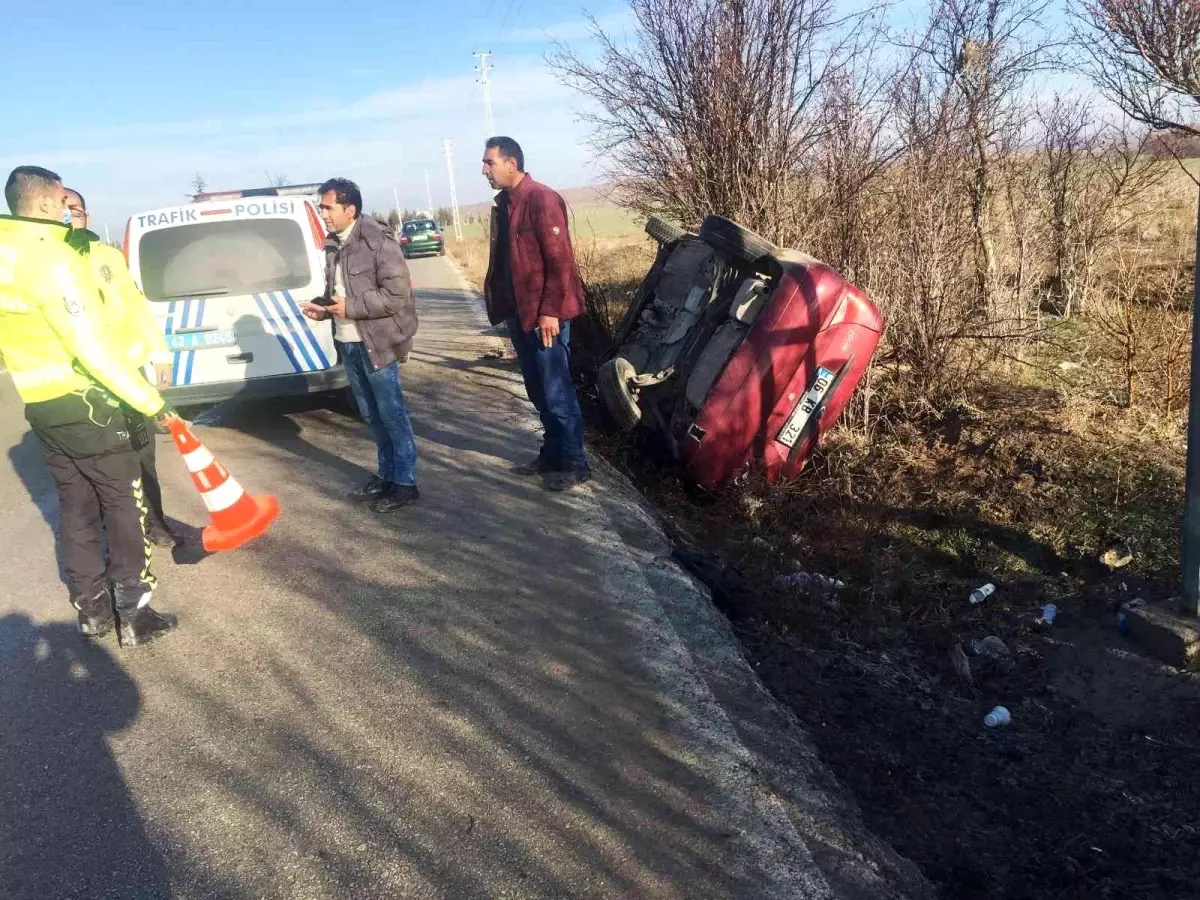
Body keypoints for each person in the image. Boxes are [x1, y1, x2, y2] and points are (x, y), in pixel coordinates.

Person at [0, 166, 179, 647]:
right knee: (124, 504)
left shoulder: (6, 253)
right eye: (61, 200)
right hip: (90, 404)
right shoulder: (52, 260)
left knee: (76, 508)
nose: (65, 209)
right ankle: (136, 615)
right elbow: (91, 348)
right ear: (41, 203)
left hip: (41, 405)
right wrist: (150, 401)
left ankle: (92, 611)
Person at [63, 187, 179, 548]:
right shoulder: (46, 262)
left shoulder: (107, 258)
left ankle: (156, 524)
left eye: (77, 210)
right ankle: (118, 535)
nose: (70, 217)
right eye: (63, 211)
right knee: (103, 468)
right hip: (83, 386)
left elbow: (136, 307)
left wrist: (160, 355)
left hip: (129, 377)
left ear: (88, 216)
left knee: (143, 454)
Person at [301, 178, 420, 513]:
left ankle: (406, 483)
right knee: (370, 414)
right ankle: (386, 476)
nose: (322, 213)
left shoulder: (377, 242)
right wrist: (324, 309)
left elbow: (396, 295)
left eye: (327, 207)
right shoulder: (333, 244)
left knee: (391, 414)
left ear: (349, 209)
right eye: (321, 207)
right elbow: (340, 292)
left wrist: (348, 307)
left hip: (376, 343)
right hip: (348, 344)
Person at [481, 136, 590, 491]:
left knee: (557, 387)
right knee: (536, 387)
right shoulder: (506, 204)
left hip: (546, 316)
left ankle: (575, 462)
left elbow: (561, 263)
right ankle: (553, 453)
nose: (484, 170)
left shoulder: (541, 199)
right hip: (520, 313)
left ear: (511, 163)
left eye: (489, 163)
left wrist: (550, 311)